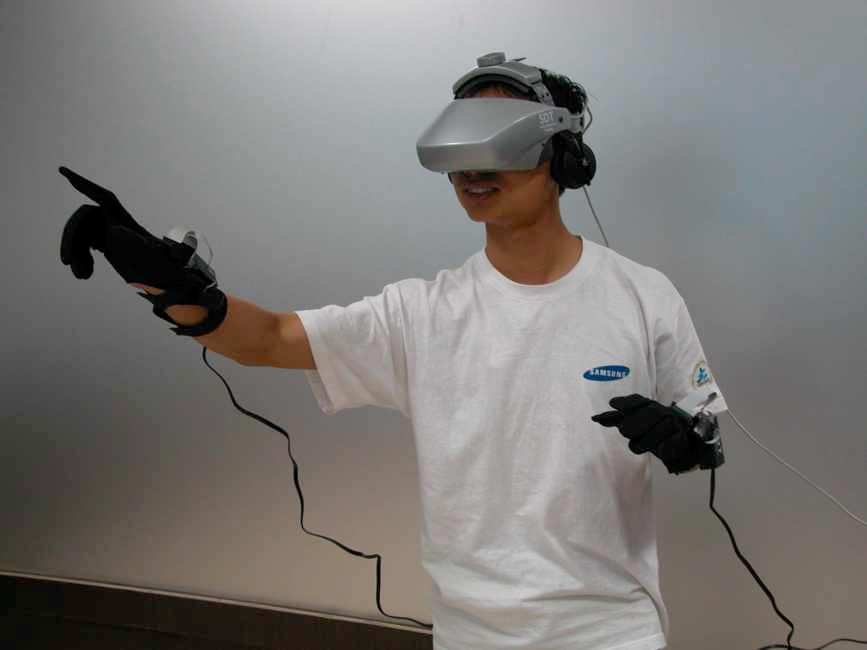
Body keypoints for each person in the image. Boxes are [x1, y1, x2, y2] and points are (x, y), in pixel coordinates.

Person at [59, 73, 727, 650]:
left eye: (496, 143)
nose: (471, 170)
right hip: (474, 632)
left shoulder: (642, 296)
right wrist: (163, 282)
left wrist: (686, 441)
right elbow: (267, 339)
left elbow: (705, 435)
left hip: (611, 628)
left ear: (565, 157)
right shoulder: (421, 314)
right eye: (460, 149)